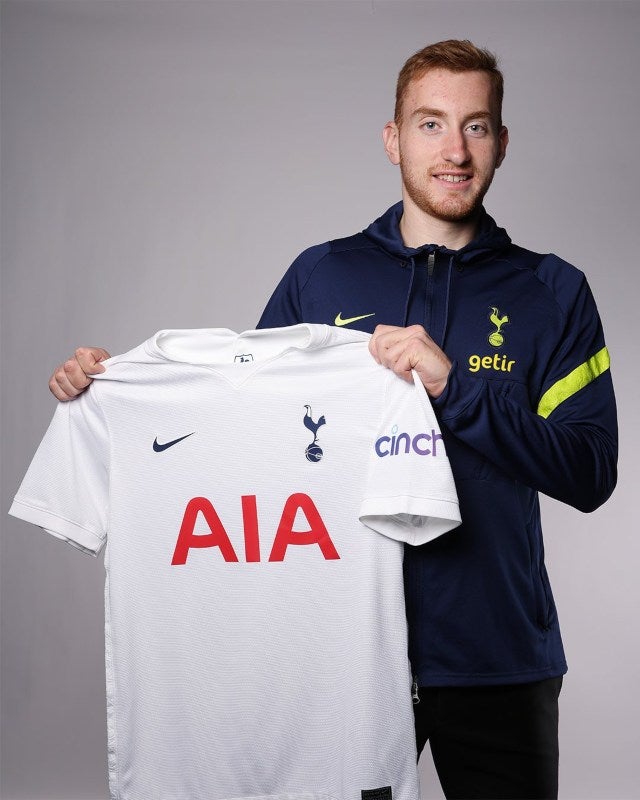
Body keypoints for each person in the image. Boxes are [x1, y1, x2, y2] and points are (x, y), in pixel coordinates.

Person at [47, 39, 618, 800]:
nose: (454, 149)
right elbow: (243, 433)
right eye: (430, 124)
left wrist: (457, 391)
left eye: (476, 127)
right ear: (392, 139)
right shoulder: (322, 275)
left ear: (502, 142)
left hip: (497, 655)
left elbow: (590, 472)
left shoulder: (553, 290)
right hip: (333, 662)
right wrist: (115, 391)